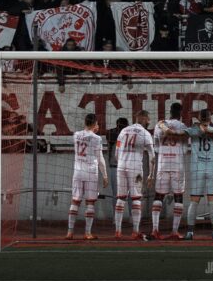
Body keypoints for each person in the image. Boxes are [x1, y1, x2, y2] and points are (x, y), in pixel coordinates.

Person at [67, 113, 109, 240]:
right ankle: (87, 233)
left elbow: (85, 137)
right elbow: (100, 158)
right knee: (90, 202)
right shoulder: (97, 138)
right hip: (91, 171)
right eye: (97, 123)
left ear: (85, 122)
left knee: (75, 201)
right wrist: (105, 175)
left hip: (78, 171)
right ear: (95, 123)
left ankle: (69, 232)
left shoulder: (76, 135)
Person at [183, 109, 213, 240]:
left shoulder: (193, 129)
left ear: (199, 118)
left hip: (197, 167)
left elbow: (183, 134)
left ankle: (190, 232)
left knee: (194, 201)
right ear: (210, 118)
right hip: (211, 167)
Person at [114, 110, 155, 240]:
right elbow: (152, 156)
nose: (149, 121)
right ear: (143, 118)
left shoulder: (124, 131)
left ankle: (118, 232)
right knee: (136, 198)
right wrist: (151, 175)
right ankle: (135, 231)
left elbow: (116, 152)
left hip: (121, 166)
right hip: (135, 167)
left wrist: (121, 161)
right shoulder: (145, 133)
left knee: (121, 198)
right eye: (148, 119)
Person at [152, 102, 187, 240]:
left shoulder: (159, 125)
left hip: (163, 164)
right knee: (178, 196)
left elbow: (156, 147)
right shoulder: (182, 126)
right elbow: (185, 148)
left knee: (158, 196)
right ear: (181, 113)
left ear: (170, 111)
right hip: (177, 165)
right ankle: (174, 231)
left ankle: (155, 229)